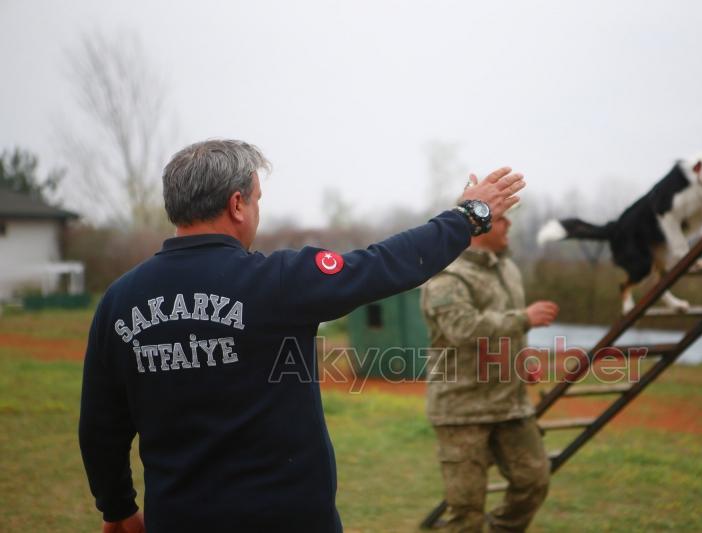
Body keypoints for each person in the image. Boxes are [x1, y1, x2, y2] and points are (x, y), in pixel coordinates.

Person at [78, 139, 526, 533]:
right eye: (257, 199)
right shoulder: (278, 282)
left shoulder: (119, 302)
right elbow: (384, 265)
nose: (257, 211)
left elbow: (101, 426)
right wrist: (468, 217)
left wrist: (117, 507)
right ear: (237, 205)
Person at [421, 201, 560, 533]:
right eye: (500, 219)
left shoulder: (508, 269)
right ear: (475, 227)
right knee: (466, 512)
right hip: (461, 409)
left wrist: (523, 359)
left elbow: (510, 331)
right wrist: (525, 318)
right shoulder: (446, 276)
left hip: (511, 406)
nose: (508, 224)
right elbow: (463, 328)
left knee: (534, 482)